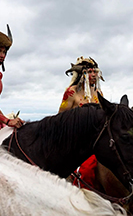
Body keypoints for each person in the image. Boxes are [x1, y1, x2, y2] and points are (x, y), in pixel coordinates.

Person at [58, 56, 104, 190]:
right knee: (87, 169)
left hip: (96, 139)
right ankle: (80, 190)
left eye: (95, 72)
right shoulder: (71, 93)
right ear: (82, 74)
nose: (94, 75)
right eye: (90, 72)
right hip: (77, 140)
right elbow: (61, 118)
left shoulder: (98, 92)